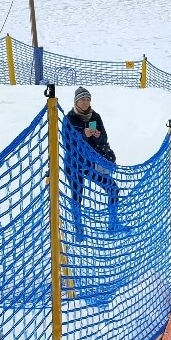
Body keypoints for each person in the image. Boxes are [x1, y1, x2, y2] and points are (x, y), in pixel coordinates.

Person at [62, 86, 122, 232]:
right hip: (74, 163)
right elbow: (67, 143)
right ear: (76, 101)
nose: (86, 102)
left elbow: (104, 139)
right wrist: (83, 135)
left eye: (88, 99)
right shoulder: (69, 118)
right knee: (77, 195)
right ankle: (78, 229)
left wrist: (97, 135)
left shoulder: (95, 117)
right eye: (82, 99)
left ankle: (113, 223)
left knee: (113, 189)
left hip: (93, 163)